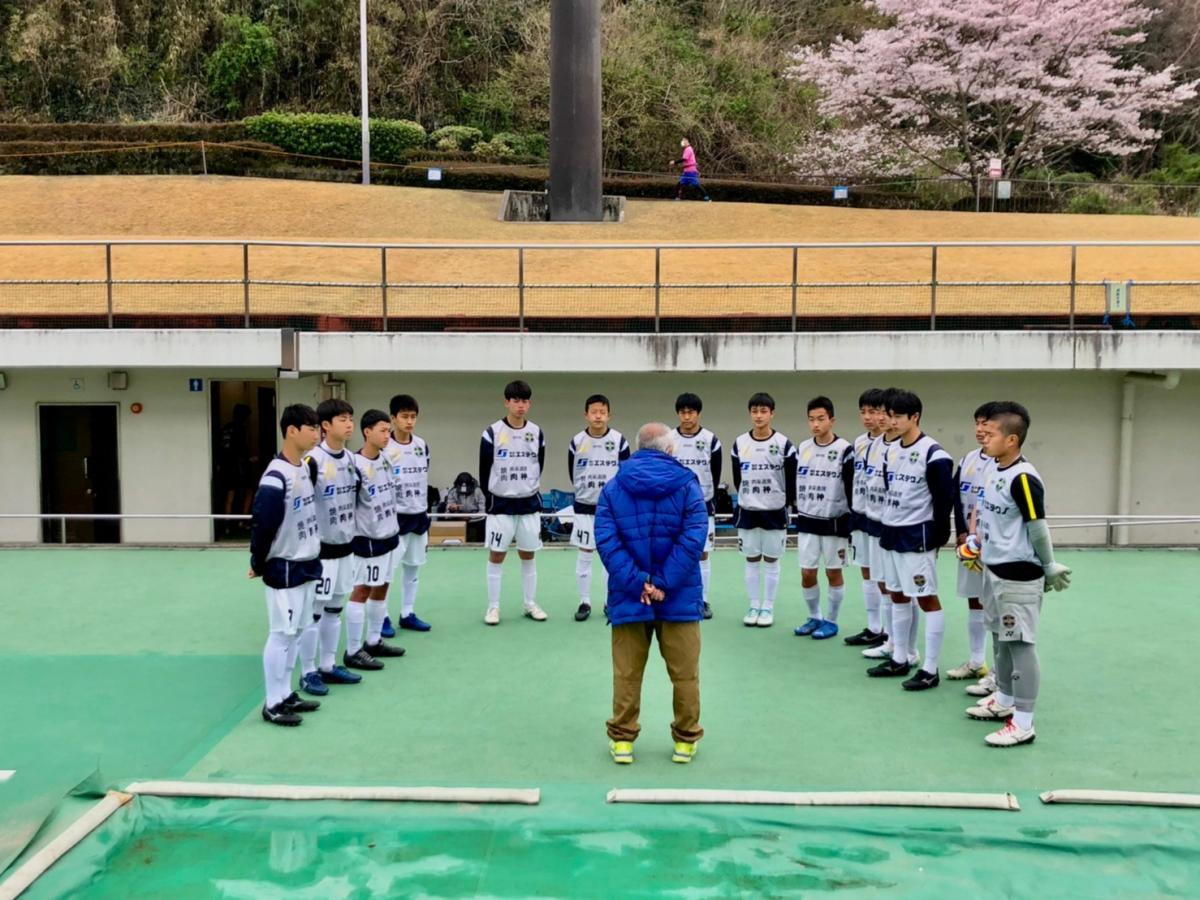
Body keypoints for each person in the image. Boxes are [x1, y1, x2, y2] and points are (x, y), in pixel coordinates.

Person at [596, 423, 708, 765]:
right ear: (670, 449)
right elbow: (694, 538)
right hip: (679, 595)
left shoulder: (614, 486)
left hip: (630, 595)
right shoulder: (688, 485)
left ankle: (623, 741)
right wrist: (662, 583)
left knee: (627, 673)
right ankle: (685, 741)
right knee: (685, 673)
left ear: (637, 447)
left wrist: (639, 582)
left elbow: (607, 540)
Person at [965, 401, 1071, 747]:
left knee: (1020, 644)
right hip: (993, 569)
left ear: (1011, 440)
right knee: (1000, 638)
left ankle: (1023, 722)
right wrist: (976, 543)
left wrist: (1049, 566)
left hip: (1019, 575)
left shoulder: (1023, 478)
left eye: (991, 433)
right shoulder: (993, 468)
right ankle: (1004, 699)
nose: (984, 438)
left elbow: (1037, 527)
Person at [867, 390, 955, 691]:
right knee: (897, 595)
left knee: (926, 598)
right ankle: (900, 657)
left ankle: (930, 669)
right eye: (889, 416)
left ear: (915, 417)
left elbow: (943, 502)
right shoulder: (890, 451)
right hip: (890, 531)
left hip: (917, 536)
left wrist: (937, 539)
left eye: (898, 417)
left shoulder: (935, 455)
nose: (891, 422)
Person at [249, 403, 323, 727]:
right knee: (281, 634)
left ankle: (286, 693)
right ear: (291, 431)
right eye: (311, 428)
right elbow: (262, 523)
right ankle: (272, 703)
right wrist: (258, 560)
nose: (317, 433)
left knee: (296, 633)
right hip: (284, 566)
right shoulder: (275, 476)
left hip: (306, 562)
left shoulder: (304, 467)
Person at [296, 399, 363, 696]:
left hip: (345, 548)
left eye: (351, 419)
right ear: (325, 425)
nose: (349, 424)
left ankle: (328, 665)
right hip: (321, 552)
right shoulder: (312, 461)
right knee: (314, 612)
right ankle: (307, 672)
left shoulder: (351, 459)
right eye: (342, 419)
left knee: (335, 609)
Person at [480, 380, 547, 625]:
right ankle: (493, 607)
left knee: (528, 555)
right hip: (501, 505)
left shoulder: (537, 432)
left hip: (528, 504)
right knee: (497, 555)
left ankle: (530, 603)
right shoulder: (492, 432)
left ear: (529, 404)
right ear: (506, 402)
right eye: (516, 401)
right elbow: (484, 470)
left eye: (525, 401)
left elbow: (539, 464)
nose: (520, 406)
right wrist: (493, 497)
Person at [345, 410, 405, 670]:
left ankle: (373, 640)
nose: (387, 435)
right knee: (362, 590)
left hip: (389, 534)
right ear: (367, 432)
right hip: (367, 538)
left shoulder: (387, 459)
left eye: (388, 431)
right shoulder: (354, 465)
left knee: (383, 586)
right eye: (382, 430)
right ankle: (352, 650)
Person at [731, 392, 797, 628]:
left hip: (774, 510)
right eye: (754, 411)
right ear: (750, 413)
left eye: (763, 411)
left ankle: (767, 607)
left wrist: (784, 502)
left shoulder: (784, 444)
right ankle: (753, 605)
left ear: (772, 413)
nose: (758, 416)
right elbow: (738, 479)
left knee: (771, 559)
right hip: (748, 509)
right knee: (751, 559)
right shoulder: (740, 443)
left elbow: (791, 479)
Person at [792, 396, 855, 640]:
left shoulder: (845, 450)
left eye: (820, 419)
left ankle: (831, 620)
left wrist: (850, 521)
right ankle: (814, 616)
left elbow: (850, 487)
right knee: (807, 573)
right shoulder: (803, 448)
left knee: (833, 573)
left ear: (832, 420)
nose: (815, 424)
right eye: (811, 419)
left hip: (834, 523)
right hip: (808, 521)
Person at [568, 394, 631, 622]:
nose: (598, 416)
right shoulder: (577, 441)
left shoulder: (619, 441)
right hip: (585, 507)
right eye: (594, 412)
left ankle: (609, 601)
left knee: (611, 556)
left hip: (611, 509)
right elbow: (573, 473)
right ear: (586, 415)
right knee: (585, 554)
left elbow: (625, 474)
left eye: (602, 412)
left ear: (609, 415)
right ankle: (584, 602)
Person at [947, 403, 996, 686]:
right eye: (977, 423)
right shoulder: (967, 459)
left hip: (996, 547)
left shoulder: (1010, 465)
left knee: (996, 604)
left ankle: (999, 675)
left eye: (986, 423)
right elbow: (957, 497)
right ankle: (977, 662)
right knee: (974, 600)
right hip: (970, 543)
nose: (980, 429)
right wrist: (962, 532)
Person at [670, 392, 722, 619]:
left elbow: (715, 473)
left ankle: (703, 600)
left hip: (702, 506)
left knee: (702, 553)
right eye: (682, 412)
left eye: (690, 412)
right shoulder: (669, 439)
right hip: (674, 506)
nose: (686, 416)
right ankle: (674, 597)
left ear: (698, 414)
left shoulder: (711, 440)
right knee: (673, 552)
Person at [843, 388, 889, 648]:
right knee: (866, 571)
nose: (869, 417)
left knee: (885, 579)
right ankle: (874, 627)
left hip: (884, 519)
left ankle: (890, 634)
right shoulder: (859, 443)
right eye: (863, 412)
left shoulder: (892, 444)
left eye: (874, 411)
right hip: (861, 515)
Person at [383, 394, 433, 633]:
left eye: (413, 416)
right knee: (387, 571)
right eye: (404, 416)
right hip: (394, 518)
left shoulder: (421, 445)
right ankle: (381, 617)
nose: (409, 421)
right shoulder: (385, 447)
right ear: (393, 418)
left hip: (419, 515)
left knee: (413, 567)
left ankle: (407, 613)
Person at [441, 472, 487, 542]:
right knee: (447, 519)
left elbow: (482, 512)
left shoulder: (478, 491)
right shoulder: (453, 491)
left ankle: (480, 544)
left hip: (474, 517)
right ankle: (451, 542)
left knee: (483, 525)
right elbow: (448, 511)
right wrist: (452, 510)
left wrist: (470, 517)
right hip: (458, 516)